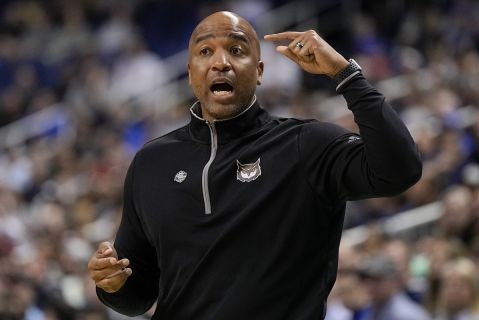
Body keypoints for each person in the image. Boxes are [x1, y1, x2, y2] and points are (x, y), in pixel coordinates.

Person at [87, 11, 422, 319]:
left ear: (259, 71)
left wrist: (345, 74)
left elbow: (399, 170)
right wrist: (113, 286)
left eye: (236, 50)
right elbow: (139, 295)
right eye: (205, 52)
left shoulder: (307, 145)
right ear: (190, 74)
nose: (220, 62)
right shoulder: (151, 162)